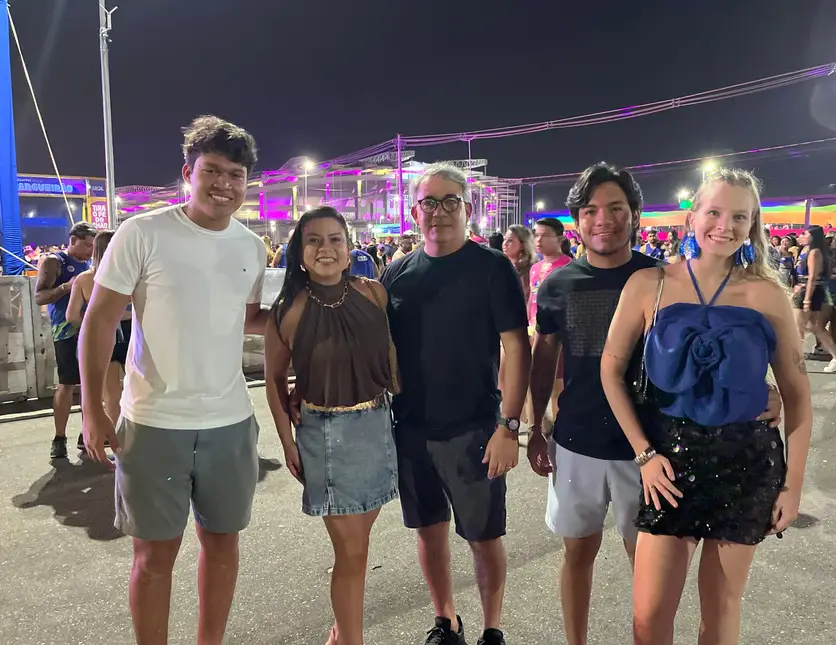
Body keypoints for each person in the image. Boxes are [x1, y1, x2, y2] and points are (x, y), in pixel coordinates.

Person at [527, 163, 781, 645]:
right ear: (576, 221)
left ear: (635, 215)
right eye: (590, 210)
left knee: (645, 570)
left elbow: (720, 346)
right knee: (576, 554)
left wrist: (764, 393)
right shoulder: (558, 284)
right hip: (578, 439)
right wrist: (536, 427)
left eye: (616, 208)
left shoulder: (660, 278)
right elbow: (543, 361)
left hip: (651, 449)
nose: (603, 219)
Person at [78, 116, 268, 645]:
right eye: (212, 171)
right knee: (154, 556)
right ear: (188, 173)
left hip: (230, 420)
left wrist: (324, 312)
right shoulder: (143, 233)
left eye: (236, 175)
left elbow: (251, 318)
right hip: (154, 422)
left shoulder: (251, 247)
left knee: (223, 545)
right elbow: (99, 321)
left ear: (247, 182)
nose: (224, 184)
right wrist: (93, 409)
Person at [601, 168, 810, 645]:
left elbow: (798, 397)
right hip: (669, 466)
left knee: (720, 616)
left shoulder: (767, 295)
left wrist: (792, 486)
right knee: (648, 619)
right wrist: (644, 454)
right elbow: (610, 371)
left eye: (739, 216)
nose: (725, 226)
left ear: (752, 224)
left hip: (746, 465)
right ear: (692, 216)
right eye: (714, 212)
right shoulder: (648, 283)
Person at [381, 163, 530, 645]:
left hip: (475, 428)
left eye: (450, 202)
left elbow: (516, 347)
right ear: (414, 212)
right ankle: (446, 620)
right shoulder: (397, 274)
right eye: (429, 202)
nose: (439, 211)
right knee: (428, 530)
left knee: (484, 537)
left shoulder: (492, 267)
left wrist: (509, 426)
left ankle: (492, 628)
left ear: (468, 209)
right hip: (412, 427)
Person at [266, 207, 398, 645]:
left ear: (349, 247)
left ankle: (342, 630)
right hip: (325, 433)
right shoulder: (288, 309)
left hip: (377, 425)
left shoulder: (374, 292)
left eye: (335, 239)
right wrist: (287, 443)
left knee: (360, 546)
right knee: (351, 551)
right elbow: (273, 381)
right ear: (299, 252)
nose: (326, 248)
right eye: (314, 240)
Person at [35, 221, 97, 459]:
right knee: (67, 384)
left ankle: (86, 434)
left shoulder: (92, 264)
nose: (90, 251)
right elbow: (40, 297)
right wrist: (66, 287)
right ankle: (59, 438)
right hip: (66, 331)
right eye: (87, 245)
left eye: (93, 247)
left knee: (91, 386)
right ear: (73, 240)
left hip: (90, 330)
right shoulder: (55, 261)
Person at [66, 229, 130, 426]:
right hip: (132, 337)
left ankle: (115, 440)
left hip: (102, 337)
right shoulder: (131, 276)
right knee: (142, 390)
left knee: (111, 396)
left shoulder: (84, 279)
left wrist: (93, 324)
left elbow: (71, 316)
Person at [793, 225, 836, 372]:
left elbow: (813, 277)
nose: (801, 236)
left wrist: (806, 299)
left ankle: (796, 362)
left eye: (805, 234)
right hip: (807, 289)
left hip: (808, 291)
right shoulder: (808, 250)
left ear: (813, 237)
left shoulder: (815, 252)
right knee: (814, 326)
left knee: (798, 327)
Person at [501, 224, 536, 299]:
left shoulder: (529, 270)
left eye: (510, 240)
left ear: (522, 245)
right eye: (504, 239)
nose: (505, 244)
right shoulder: (502, 265)